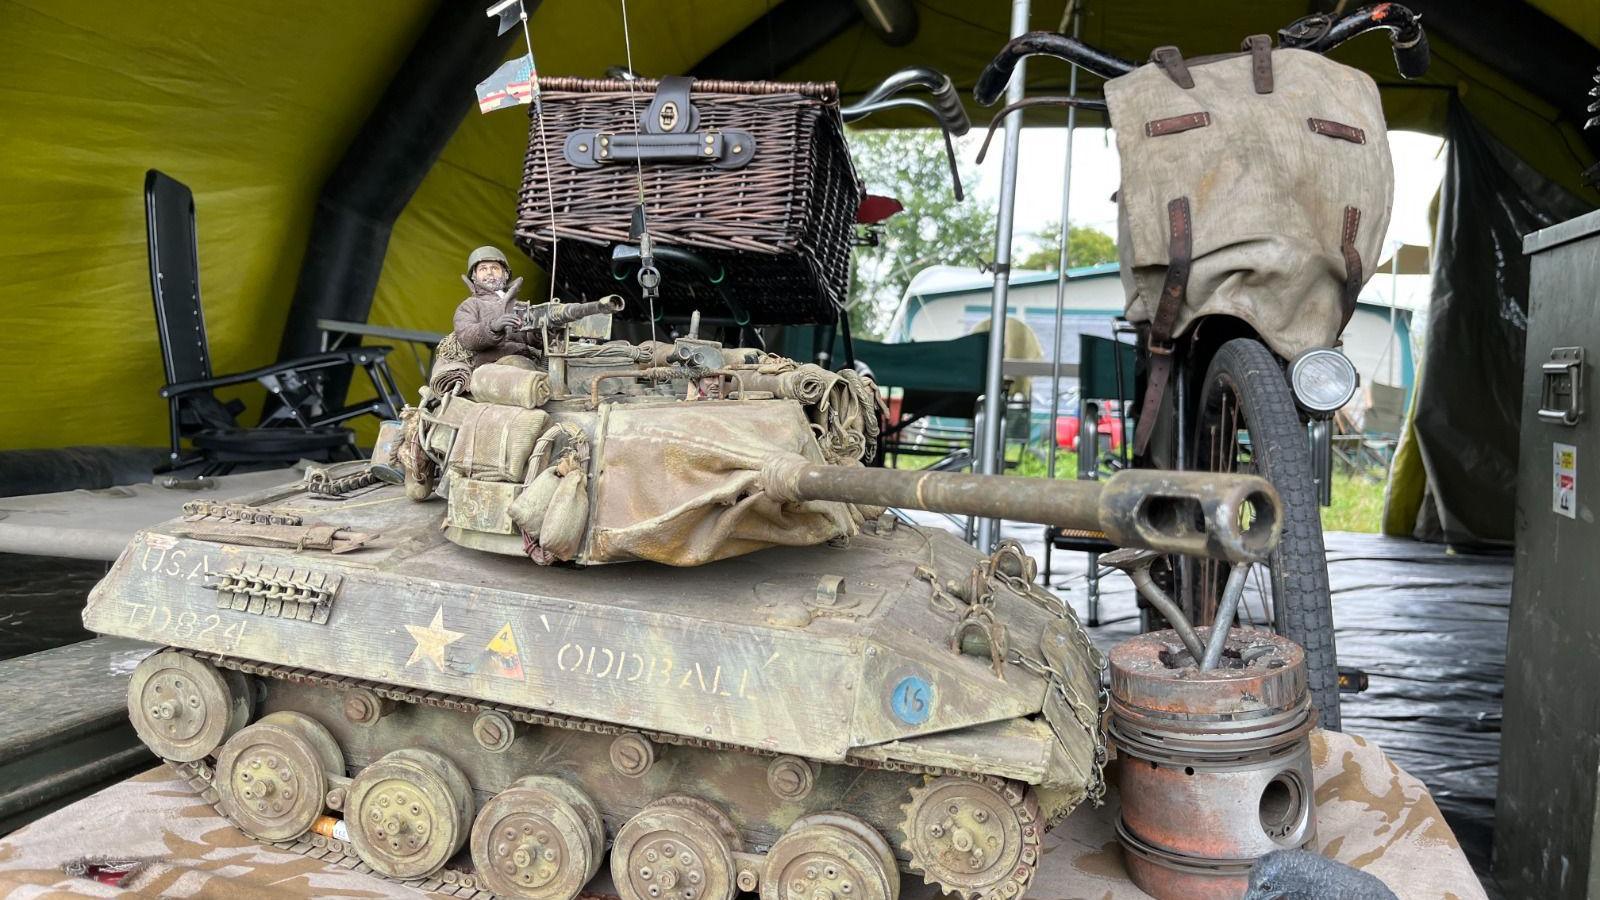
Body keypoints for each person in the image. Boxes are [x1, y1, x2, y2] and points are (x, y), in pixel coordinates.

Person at [451, 246, 537, 367]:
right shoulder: (470, 305)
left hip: (524, 359)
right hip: (488, 364)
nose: (489, 272)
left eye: (495, 268)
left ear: (505, 274)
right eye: (483, 269)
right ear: (474, 277)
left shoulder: (519, 306)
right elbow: (466, 336)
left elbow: (532, 340)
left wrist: (537, 332)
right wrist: (492, 328)